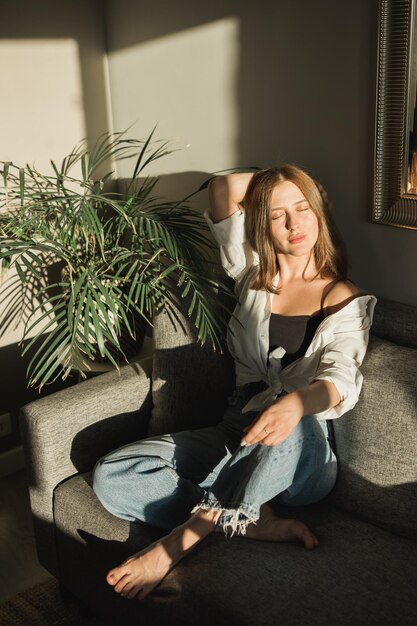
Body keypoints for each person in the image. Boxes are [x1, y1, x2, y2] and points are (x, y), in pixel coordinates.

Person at [92, 165, 377, 602]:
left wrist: (297, 405)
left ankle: (181, 541)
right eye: (277, 214)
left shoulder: (343, 296)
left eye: (303, 209)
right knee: (113, 476)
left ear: (320, 213)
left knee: (288, 423)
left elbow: (341, 379)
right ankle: (248, 515)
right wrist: (288, 179)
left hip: (301, 454)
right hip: (234, 429)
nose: (293, 223)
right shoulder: (251, 272)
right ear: (262, 224)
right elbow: (225, 188)